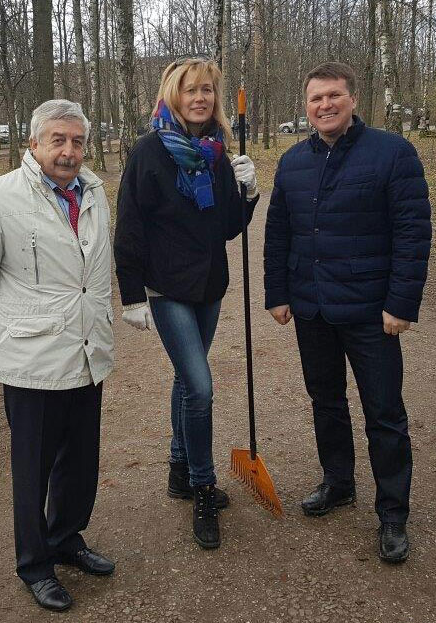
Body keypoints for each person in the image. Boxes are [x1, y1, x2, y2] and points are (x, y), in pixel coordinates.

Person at [0, 99, 115, 612]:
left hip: (87, 352)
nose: (69, 151)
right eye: (57, 140)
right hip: (32, 361)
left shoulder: (94, 193)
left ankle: (66, 539)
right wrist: (4, 340)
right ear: (34, 144)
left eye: (77, 141)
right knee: (34, 466)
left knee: (80, 460)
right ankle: (35, 564)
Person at [263, 61, 431, 564]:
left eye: (334, 96)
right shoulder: (293, 163)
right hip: (312, 308)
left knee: (383, 411)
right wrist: (278, 293)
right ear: (306, 105)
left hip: (370, 313)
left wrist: (401, 304)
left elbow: (412, 234)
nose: (325, 106)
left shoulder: (393, 154)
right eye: (316, 99)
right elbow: (278, 233)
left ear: (353, 99)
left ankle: (393, 514)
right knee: (326, 401)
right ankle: (338, 482)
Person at [114, 57, 259, 550]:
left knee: (185, 379)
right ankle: (202, 484)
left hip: (208, 287)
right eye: (190, 90)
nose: (200, 98)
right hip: (166, 288)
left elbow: (224, 227)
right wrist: (132, 295)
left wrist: (248, 193)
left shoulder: (216, 153)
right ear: (172, 96)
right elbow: (130, 225)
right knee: (200, 386)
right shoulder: (149, 152)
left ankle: (178, 467)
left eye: (207, 91)